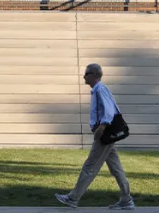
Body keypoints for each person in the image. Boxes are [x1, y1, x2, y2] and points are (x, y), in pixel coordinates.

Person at [55, 63, 134, 210]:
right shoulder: (98, 90)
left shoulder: (100, 90)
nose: (84, 76)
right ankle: (126, 200)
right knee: (116, 168)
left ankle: (73, 198)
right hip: (106, 135)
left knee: (90, 166)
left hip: (104, 135)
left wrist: (101, 127)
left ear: (94, 75)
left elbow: (109, 111)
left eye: (86, 73)